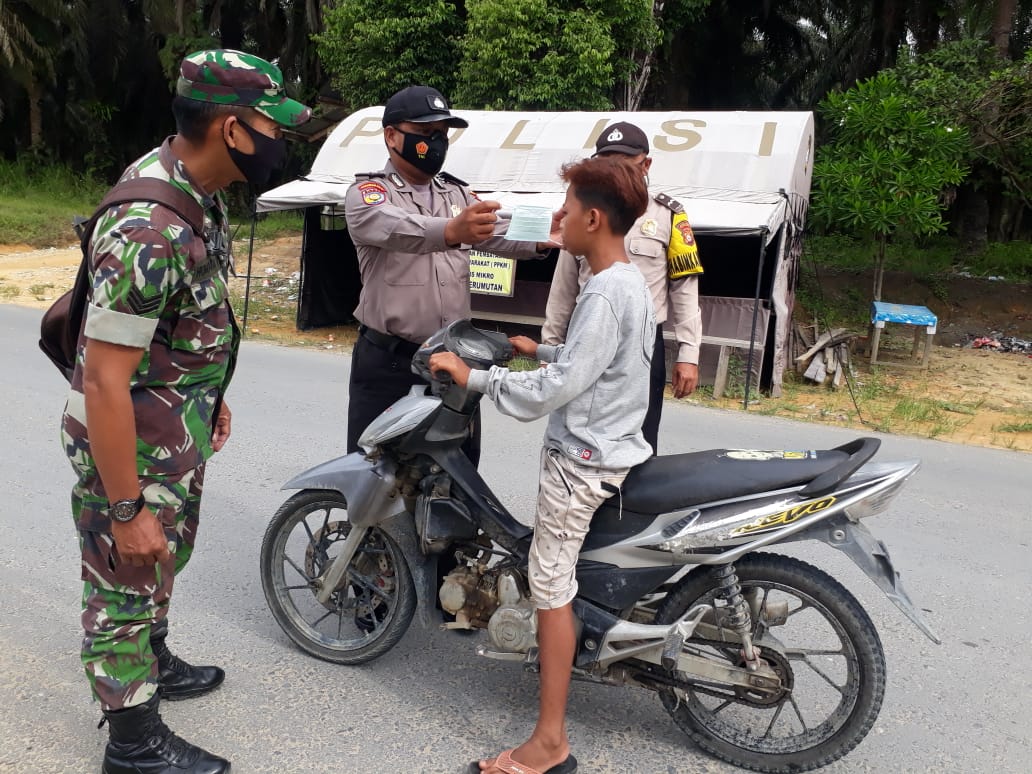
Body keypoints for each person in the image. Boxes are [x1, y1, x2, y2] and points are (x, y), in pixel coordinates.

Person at [60, 49, 310, 773]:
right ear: (233, 129)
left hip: (171, 426)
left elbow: (180, 323)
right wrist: (124, 504)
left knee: (162, 560)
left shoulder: (199, 193)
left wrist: (210, 395)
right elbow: (105, 381)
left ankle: (154, 660)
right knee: (123, 578)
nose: (281, 143)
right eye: (273, 127)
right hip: (127, 441)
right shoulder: (150, 225)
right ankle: (132, 745)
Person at [430, 155, 655, 774]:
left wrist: (475, 376)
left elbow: (555, 390)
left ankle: (549, 742)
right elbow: (594, 360)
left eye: (564, 209)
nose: (557, 219)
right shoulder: (626, 280)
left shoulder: (604, 291)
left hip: (580, 462)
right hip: (612, 450)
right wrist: (542, 347)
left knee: (551, 588)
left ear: (591, 217)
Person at [344, 85, 558, 463]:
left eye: (442, 136)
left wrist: (543, 236)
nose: (436, 144)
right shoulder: (369, 194)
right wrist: (451, 232)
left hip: (453, 360)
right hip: (390, 361)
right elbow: (398, 227)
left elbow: (495, 229)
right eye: (425, 135)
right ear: (392, 136)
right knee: (375, 467)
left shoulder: (455, 193)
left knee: (456, 465)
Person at [541, 120, 703, 454]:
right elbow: (564, 285)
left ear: (646, 165)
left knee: (639, 438)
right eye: (606, 163)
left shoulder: (669, 215)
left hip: (643, 344)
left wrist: (689, 355)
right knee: (580, 431)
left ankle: (631, 506)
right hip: (586, 336)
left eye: (625, 163)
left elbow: (684, 288)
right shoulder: (585, 210)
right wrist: (549, 347)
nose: (614, 171)